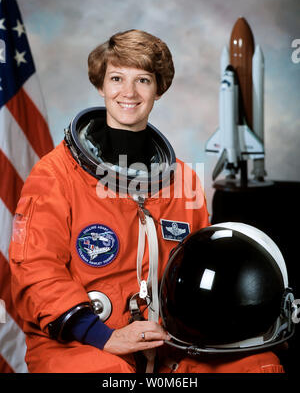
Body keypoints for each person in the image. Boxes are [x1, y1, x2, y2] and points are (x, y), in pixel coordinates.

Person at [9, 29, 283, 373]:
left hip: (168, 340)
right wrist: (104, 335)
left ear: (158, 89)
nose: (128, 92)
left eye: (143, 80)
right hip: (81, 344)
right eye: (117, 78)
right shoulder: (55, 174)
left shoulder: (183, 181)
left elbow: (202, 268)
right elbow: (34, 269)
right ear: (101, 85)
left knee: (258, 365)